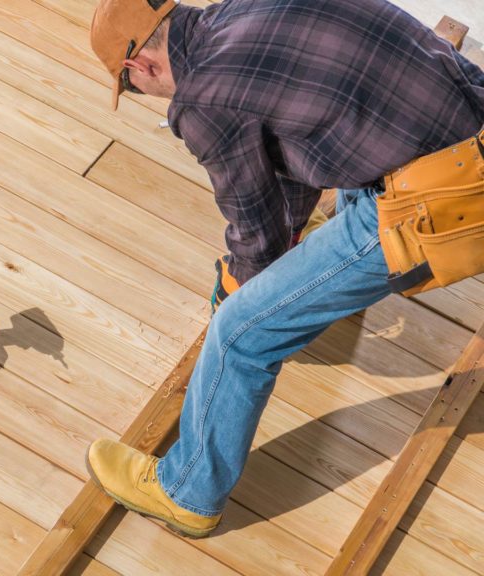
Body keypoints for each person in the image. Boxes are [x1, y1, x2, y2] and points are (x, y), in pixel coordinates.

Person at [85, 0, 484, 538]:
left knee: (241, 334)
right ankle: (319, 297)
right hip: (462, 119)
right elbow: (292, 152)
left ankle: (188, 493)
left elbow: (255, 228)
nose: (145, 96)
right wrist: (283, 258)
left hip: (445, 196)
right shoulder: (246, 10)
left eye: (132, 90)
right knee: (335, 175)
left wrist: (243, 285)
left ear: (142, 68)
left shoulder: (205, 97)